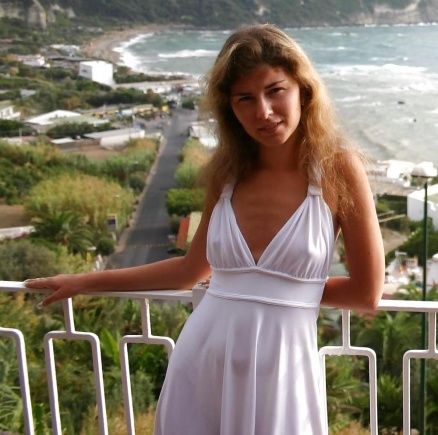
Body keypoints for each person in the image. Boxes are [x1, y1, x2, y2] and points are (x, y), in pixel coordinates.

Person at [25, 24, 384, 434]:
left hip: (284, 373)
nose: (263, 111)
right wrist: (83, 281)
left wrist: (281, 290)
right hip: (201, 363)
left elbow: (366, 292)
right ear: (230, 108)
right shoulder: (227, 173)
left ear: (303, 90)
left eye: (275, 90)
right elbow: (188, 271)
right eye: (245, 98)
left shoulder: (338, 168)